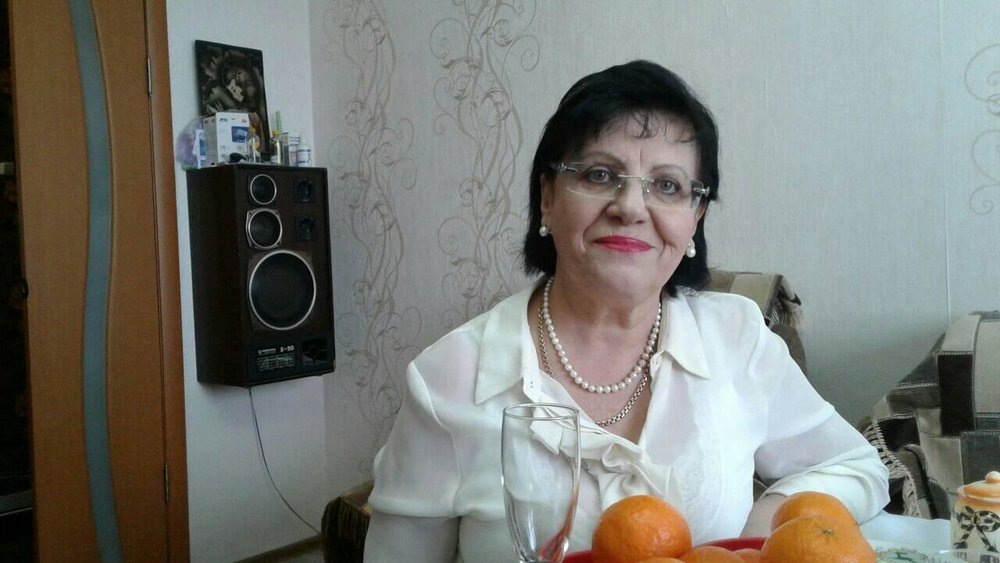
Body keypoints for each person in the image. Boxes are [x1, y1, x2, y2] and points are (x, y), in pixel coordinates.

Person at [363, 60, 889, 562]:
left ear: (695, 217)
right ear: (547, 197)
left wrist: (764, 527)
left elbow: (856, 466)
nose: (631, 208)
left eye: (668, 186)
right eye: (598, 175)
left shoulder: (737, 338)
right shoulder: (449, 379)